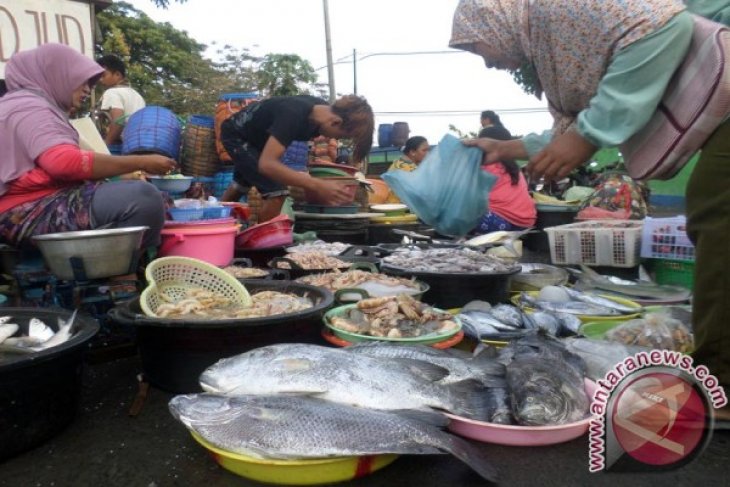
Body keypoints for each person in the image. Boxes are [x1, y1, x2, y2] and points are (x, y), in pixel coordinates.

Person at [450, 0, 730, 420]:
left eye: (478, 48)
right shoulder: (555, 38)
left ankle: (723, 383)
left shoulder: (556, 8)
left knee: (717, 213)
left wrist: (590, 135)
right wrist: (507, 147)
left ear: (496, 19)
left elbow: (662, 26)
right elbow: (575, 122)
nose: (488, 63)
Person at [0, 44, 175, 251]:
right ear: (55, 74)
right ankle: (123, 278)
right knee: (142, 199)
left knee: (158, 198)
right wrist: (142, 161)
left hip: (34, 201)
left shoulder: (23, 105)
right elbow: (63, 163)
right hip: (23, 211)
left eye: (90, 83)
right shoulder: (30, 107)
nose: (87, 89)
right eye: (81, 80)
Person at [220, 94, 374, 222]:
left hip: (259, 139)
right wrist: (316, 185)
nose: (336, 139)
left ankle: (217, 220)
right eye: (340, 136)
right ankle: (259, 245)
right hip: (237, 134)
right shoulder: (293, 114)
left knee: (242, 184)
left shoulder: (320, 114)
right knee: (276, 191)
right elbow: (267, 164)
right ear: (335, 122)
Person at [474, 132, 535, 234]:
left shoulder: (486, 166)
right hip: (525, 224)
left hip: (500, 223)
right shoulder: (514, 167)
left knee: (464, 213)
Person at [96, 54, 146, 146]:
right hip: (137, 145)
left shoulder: (111, 92)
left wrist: (105, 145)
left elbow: (119, 121)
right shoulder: (137, 95)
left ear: (117, 74)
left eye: (103, 75)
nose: (100, 80)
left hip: (118, 146)